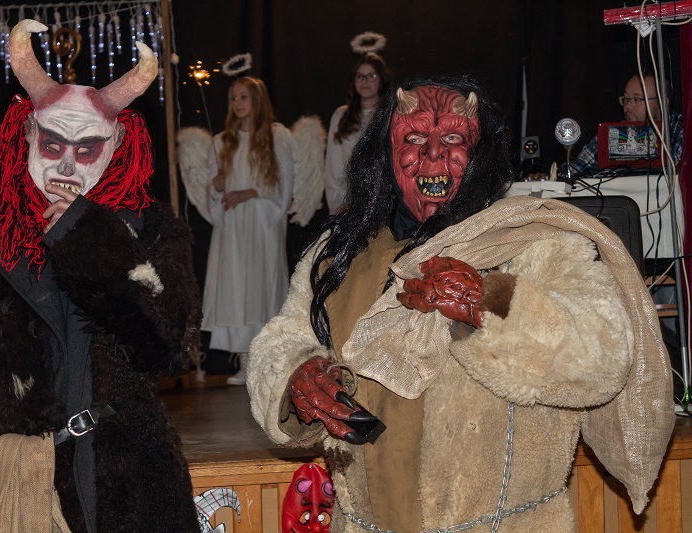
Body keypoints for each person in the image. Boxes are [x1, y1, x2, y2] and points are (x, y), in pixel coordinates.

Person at [247, 75, 674, 532]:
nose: (433, 154)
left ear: (480, 153)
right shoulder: (337, 256)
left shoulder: (535, 244)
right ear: (385, 154)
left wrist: (486, 301)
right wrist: (298, 375)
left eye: (452, 139)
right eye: (414, 139)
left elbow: (603, 358)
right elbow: (281, 341)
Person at [0, 19, 201, 533]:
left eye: (86, 150)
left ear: (117, 144)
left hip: (129, 484)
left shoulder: (148, 227)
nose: (67, 167)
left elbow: (170, 346)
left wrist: (88, 238)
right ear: (26, 133)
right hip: (20, 484)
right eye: (53, 145)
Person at [201, 76, 294, 386]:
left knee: (261, 285)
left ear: (256, 100)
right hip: (233, 226)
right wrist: (216, 187)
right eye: (233, 98)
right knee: (236, 287)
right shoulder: (221, 142)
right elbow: (213, 190)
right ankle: (244, 360)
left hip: (261, 222)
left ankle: (266, 360)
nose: (237, 103)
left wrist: (250, 193)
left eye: (243, 97)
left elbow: (284, 183)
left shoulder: (276, 137)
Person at [560, 72, 683, 179]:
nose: (627, 106)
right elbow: (576, 168)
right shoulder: (616, 133)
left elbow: (679, 170)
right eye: (626, 99)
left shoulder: (682, 130)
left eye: (637, 99)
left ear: (662, 103)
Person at [323, 53, 391, 215]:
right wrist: (339, 204)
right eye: (360, 76)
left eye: (371, 76)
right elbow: (334, 168)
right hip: (350, 205)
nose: (364, 81)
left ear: (381, 80)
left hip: (386, 203)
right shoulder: (341, 116)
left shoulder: (391, 114)